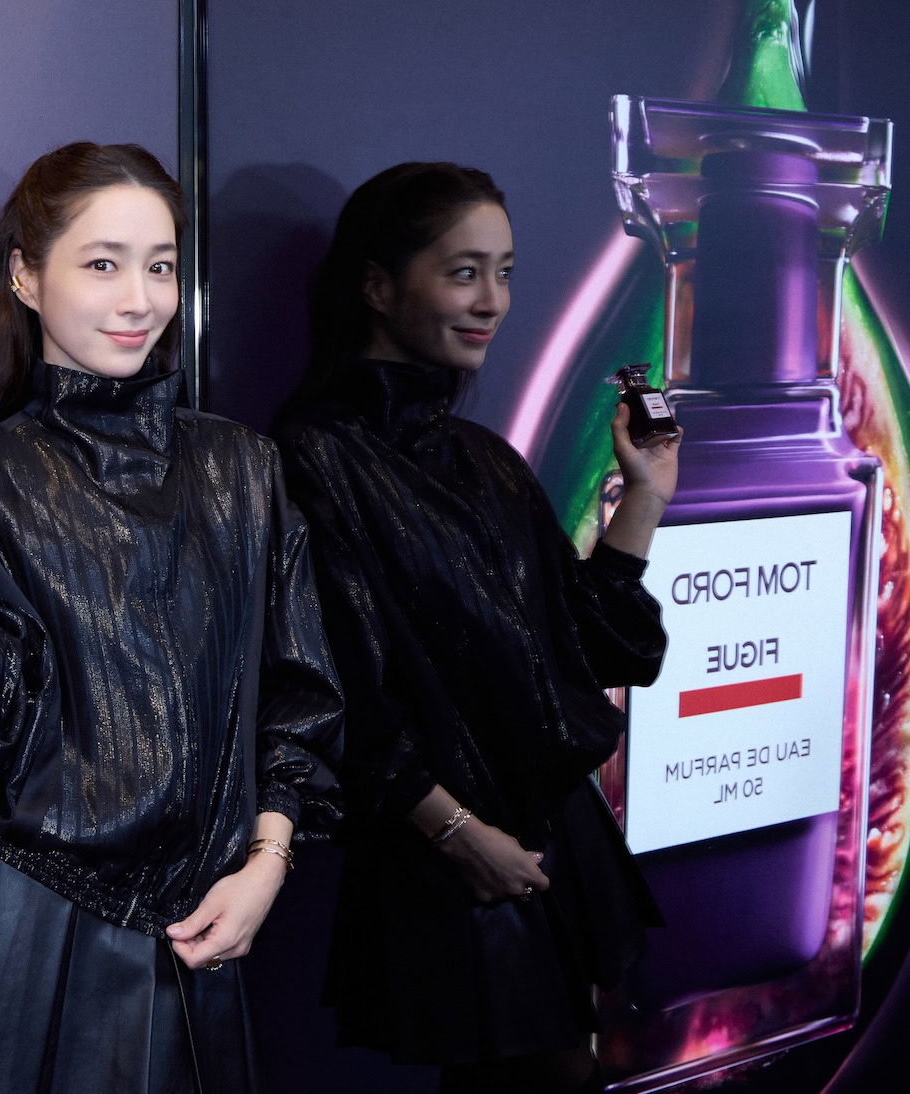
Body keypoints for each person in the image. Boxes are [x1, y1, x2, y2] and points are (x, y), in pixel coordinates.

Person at [0, 141, 344, 1094]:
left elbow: (298, 697)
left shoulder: (242, 468)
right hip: (8, 922)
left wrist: (268, 861)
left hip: (192, 928)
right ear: (26, 277)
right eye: (103, 264)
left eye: (161, 266)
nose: (139, 299)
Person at [269, 162, 678, 1094]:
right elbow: (335, 690)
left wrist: (645, 498)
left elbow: (602, 646)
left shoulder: (484, 458)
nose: (493, 301)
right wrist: (455, 833)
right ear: (378, 286)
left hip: (555, 838)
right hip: (448, 851)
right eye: (463, 273)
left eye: (504, 272)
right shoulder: (311, 458)